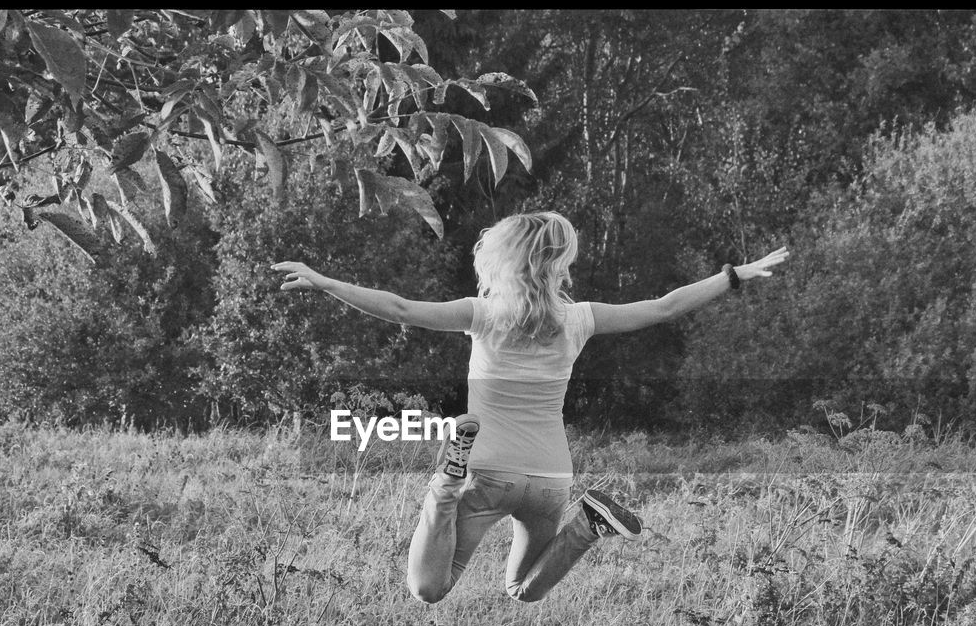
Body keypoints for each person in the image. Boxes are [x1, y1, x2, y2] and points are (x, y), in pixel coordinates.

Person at [272, 212, 788, 604]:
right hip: (549, 479)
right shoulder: (580, 318)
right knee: (523, 588)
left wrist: (327, 282)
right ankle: (587, 525)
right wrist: (735, 274)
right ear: (559, 262)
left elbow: (401, 308)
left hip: (488, 469)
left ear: (501, 259)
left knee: (429, 588)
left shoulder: (483, 313)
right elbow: (666, 306)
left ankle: (445, 481)